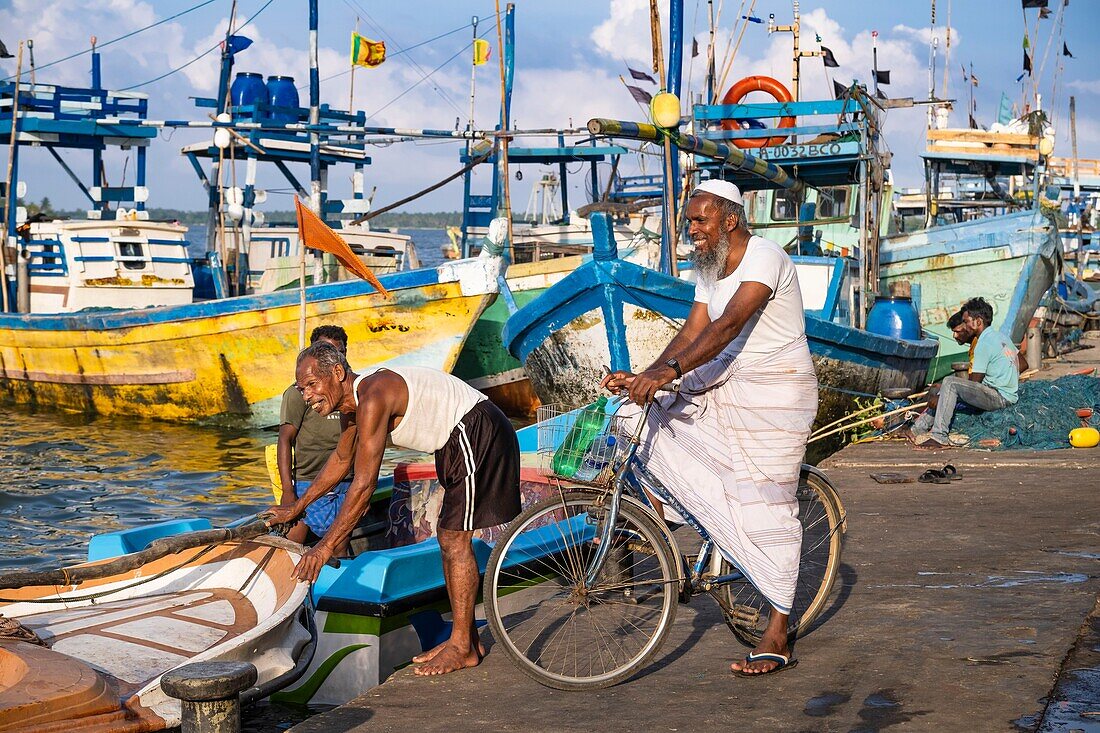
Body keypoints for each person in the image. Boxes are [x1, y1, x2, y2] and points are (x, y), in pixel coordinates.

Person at [602, 179, 817, 677]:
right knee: (634, 415)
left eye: (700, 221)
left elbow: (727, 328)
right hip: (727, 377)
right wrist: (646, 376)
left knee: (769, 505)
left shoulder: (765, 257)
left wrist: (669, 373)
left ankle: (778, 629)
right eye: (690, 221)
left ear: (730, 219)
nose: (691, 230)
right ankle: (698, 517)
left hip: (777, 391)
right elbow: (694, 329)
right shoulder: (710, 266)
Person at [265, 346, 521, 676]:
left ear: (339, 374)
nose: (307, 395)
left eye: (312, 384)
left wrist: (325, 545)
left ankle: (462, 647)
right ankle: (465, 638)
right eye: (302, 389)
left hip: (475, 430)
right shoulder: (355, 407)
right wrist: (297, 506)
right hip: (452, 441)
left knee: (454, 540)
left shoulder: (372, 397)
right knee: (448, 539)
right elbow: (342, 461)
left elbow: (363, 484)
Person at [277, 325, 352, 555]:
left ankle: (337, 578)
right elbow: (284, 441)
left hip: (347, 478)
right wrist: (288, 490)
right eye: (324, 354)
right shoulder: (300, 394)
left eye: (336, 354)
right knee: (294, 536)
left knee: (339, 540)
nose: (330, 361)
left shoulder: (352, 391)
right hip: (310, 478)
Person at [910, 297, 1019, 449]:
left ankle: (939, 435)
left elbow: (973, 383)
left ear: (978, 321)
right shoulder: (1002, 337)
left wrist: (942, 396)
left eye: (967, 322)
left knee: (950, 382)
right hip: (1007, 395)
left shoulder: (983, 343)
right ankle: (918, 429)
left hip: (998, 398)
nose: (966, 326)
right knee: (945, 390)